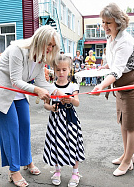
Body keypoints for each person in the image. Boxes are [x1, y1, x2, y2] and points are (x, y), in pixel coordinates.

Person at [0, 25, 64, 187]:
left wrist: (58, 91)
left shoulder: (41, 57)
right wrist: (37, 90)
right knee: (11, 129)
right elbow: (16, 80)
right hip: (2, 90)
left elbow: (42, 82)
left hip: (19, 92)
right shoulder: (17, 50)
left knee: (25, 125)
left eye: (53, 46)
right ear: (39, 40)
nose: (50, 48)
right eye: (48, 44)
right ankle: (14, 170)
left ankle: (27, 161)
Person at [92, 3, 134, 176]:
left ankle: (127, 162)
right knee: (123, 122)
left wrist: (102, 85)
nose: (104, 26)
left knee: (132, 125)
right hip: (121, 85)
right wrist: (104, 67)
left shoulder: (125, 41)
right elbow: (115, 63)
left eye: (108, 23)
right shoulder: (111, 37)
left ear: (118, 23)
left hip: (133, 84)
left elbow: (118, 71)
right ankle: (127, 155)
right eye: (103, 22)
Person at [43, 54, 84, 187]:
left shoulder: (73, 86)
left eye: (64, 69)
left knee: (73, 143)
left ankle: (75, 172)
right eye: (58, 70)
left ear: (69, 69)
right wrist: (51, 107)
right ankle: (57, 171)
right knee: (56, 143)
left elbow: (77, 103)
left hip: (70, 120)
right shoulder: (50, 86)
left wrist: (70, 100)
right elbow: (46, 104)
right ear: (53, 69)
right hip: (55, 121)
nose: (61, 73)